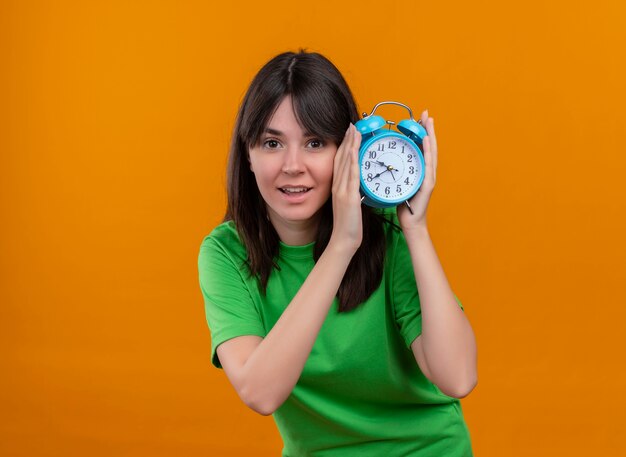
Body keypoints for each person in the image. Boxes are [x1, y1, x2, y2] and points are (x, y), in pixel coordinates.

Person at [197, 50, 477, 456]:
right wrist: (342, 246)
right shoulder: (225, 253)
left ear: (349, 150)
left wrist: (415, 229)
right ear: (249, 155)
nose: (293, 166)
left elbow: (459, 377)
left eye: (315, 142)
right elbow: (260, 392)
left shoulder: (389, 231)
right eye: (272, 143)